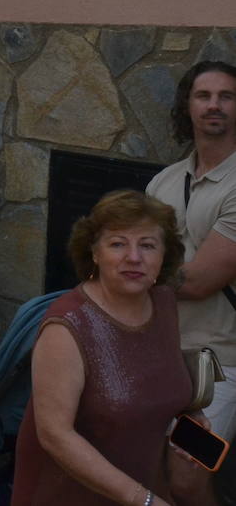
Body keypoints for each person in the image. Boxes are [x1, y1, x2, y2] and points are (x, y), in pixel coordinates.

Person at [11, 190, 192, 506]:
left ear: (164, 254)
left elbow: (154, 375)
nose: (134, 257)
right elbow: (55, 435)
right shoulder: (67, 325)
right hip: (68, 495)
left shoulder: (163, 301)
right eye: (118, 243)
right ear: (94, 252)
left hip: (142, 485)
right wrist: (141, 499)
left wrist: (188, 408)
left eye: (147, 245)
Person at [147, 60, 236, 506]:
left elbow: (202, 280)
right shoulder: (165, 181)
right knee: (153, 472)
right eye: (204, 96)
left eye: (226, 96)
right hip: (159, 353)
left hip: (218, 364)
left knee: (187, 473)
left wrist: (126, 272)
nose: (214, 105)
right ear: (188, 105)